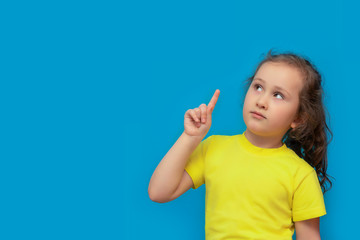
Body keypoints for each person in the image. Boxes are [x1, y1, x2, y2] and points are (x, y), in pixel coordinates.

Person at [148, 49, 333, 240]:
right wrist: (190, 137)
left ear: (299, 118)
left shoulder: (301, 175)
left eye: (278, 95)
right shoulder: (213, 148)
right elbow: (158, 192)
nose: (261, 101)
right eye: (258, 87)